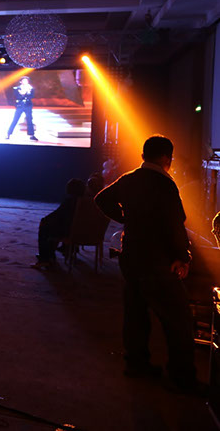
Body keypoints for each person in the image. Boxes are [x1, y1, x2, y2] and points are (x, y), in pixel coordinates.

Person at [94, 135, 199, 392]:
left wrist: (126, 218)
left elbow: (101, 199)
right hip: (158, 261)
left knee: (136, 313)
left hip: (131, 256)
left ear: (143, 156)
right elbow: (175, 224)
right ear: (167, 158)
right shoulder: (166, 184)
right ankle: (182, 377)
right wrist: (182, 256)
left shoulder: (129, 178)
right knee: (179, 319)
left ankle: (136, 364)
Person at [32, 178, 86, 269]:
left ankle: (45, 258)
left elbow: (57, 214)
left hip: (68, 232)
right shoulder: (86, 202)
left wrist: (44, 220)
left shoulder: (70, 201)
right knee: (52, 226)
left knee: (45, 227)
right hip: (81, 232)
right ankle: (50, 256)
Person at [7, 76, 37, 141]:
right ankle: (8, 133)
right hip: (20, 105)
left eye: (27, 81)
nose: (25, 82)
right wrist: (22, 95)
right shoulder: (16, 88)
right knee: (15, 119)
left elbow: (32, 96)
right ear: (21, 81)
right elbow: (16, 96)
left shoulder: (31, 88)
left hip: (28, 105)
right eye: (24, 80)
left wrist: (26, 93)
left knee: (30, 120)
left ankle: (31, 135)